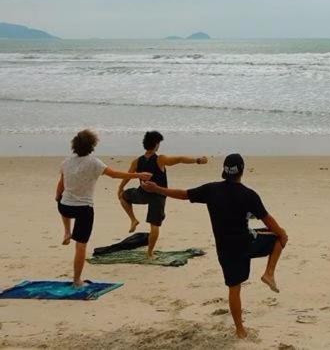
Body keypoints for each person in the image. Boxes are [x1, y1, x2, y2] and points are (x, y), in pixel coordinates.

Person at [142, 153, 288, 339]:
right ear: (241, 171)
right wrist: (282, 234)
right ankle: (269, 273)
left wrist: (157, 189)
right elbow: (268, 221)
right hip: (246, 243)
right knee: (277, 238)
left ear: (224, 171)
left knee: (234, 288)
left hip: (224, 249)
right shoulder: (249, 195)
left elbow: (184, 194)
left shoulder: (212, 190)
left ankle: (240, 330)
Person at [55, 129, 152, 287]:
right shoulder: (94, 162)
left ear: (74, 145)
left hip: (65, 208)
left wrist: (57, 198)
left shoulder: (66, 162)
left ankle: (67, 231)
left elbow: (61, 185)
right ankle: (77, 280)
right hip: (83, 209)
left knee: (61, 200)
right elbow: (114, 174)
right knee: (80, 245)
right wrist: (138, 175)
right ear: (92, 146)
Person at [117, 130, 208, 258]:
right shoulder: (160, 159)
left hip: (141, 194)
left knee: (123, 196)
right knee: (154, 225)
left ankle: (133, 219)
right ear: (156, 144)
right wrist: (198, 160)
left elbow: (128, 176)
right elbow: (180, 159)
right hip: (158, 195)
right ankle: (150, 253)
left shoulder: (137, 161)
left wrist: (120, 188)